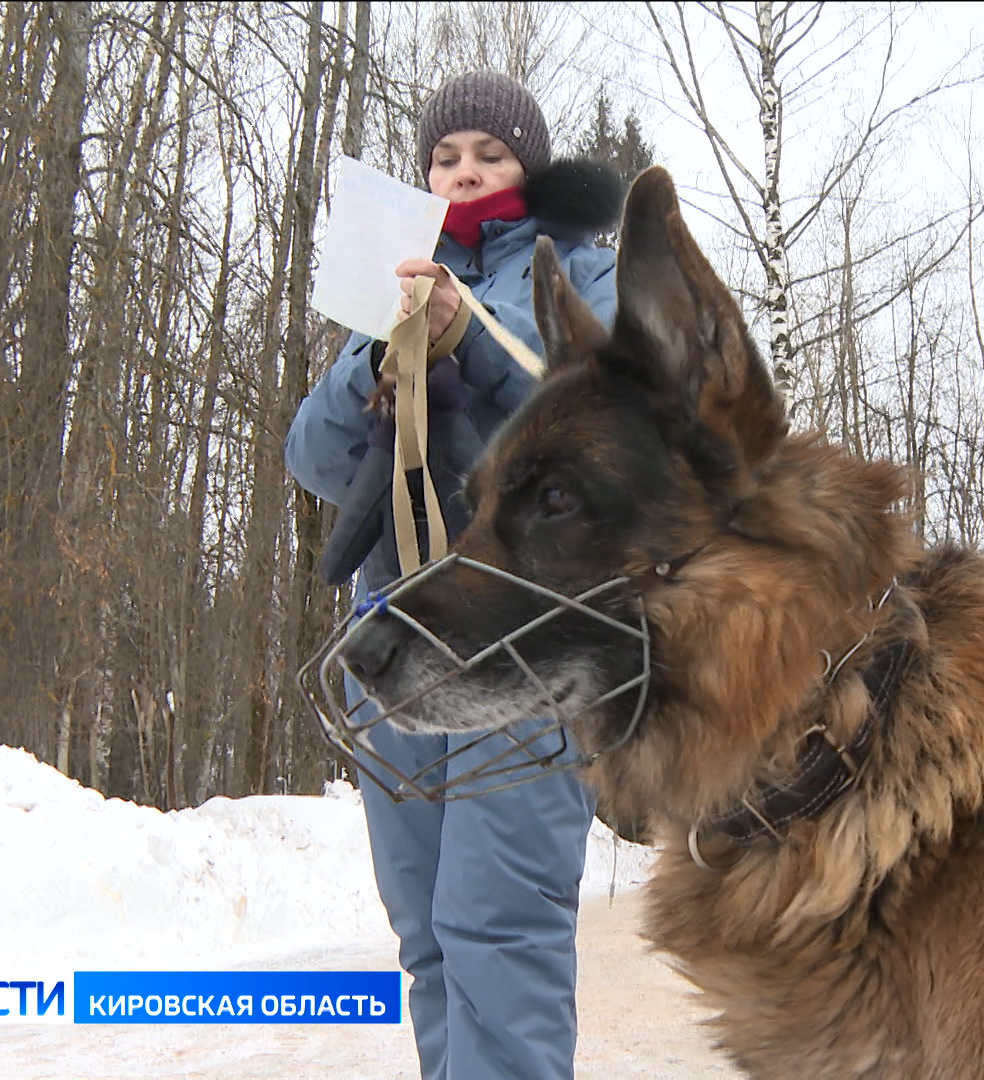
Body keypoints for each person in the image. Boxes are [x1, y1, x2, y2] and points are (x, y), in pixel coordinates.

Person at [284, 70, 623, 1080]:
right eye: (445, 156)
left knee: (498, 925)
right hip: (391, 636)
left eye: (491, 153)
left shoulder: (584, 273)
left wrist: (470, 341)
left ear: (532, 165)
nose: (465, 171)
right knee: (430, 932)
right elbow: (311, 456)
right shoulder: (394, 274)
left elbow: (600, 426)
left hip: (520, 639)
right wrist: (375, 361)